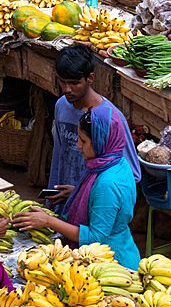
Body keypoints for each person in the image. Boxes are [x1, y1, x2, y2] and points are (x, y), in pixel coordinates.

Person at [13, 108, 141, 269]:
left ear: (101, 141)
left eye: (84, 140)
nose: (78, 144)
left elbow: (96, 237)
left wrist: (49, 221)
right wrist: (78, 193)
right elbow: (112, 204)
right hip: (119, 247)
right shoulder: (115, 161)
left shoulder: (107, 184)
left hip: (109, 262)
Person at [49, 44, 140, 208]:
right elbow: (59, 154)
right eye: (62, 82)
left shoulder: (111, 118)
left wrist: (82, 192)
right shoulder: (61, 106)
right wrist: (52, 195)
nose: (67, 89)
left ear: (90, 78)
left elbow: (132, 175)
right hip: (63, 205)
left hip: (95, 210)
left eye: (74, 83)